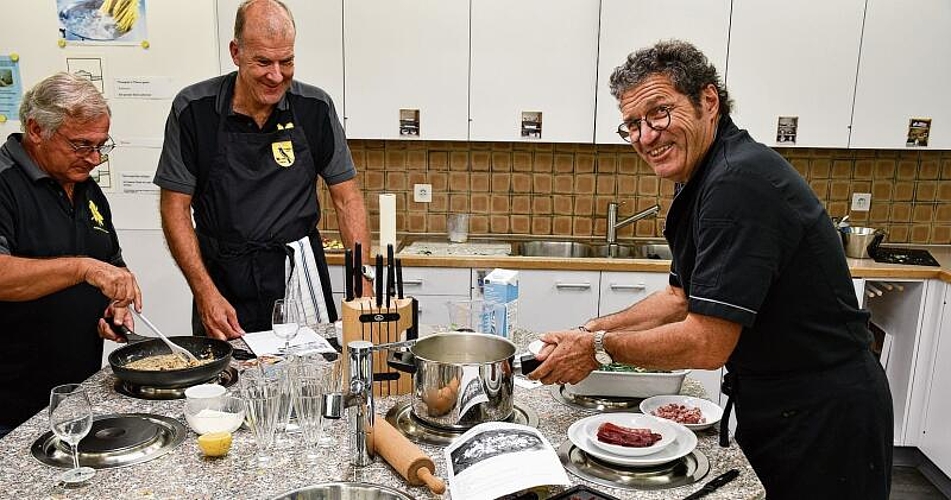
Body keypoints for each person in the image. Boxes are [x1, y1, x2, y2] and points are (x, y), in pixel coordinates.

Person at [528, 40, 893, 500]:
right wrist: (589, 329)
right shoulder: (706, 176)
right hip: (782, 402)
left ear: (708, 101)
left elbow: (708, 343)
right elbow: (679, 297)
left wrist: (597, 349)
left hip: (825, 415)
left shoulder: (739, 181)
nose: (645, 136)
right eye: (633, 125)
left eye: (659, 113)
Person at [154, 0, 370, 340]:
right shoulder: (194, 111)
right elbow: (175, 209)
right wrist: (204, 292)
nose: (276, 75)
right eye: (263, 62)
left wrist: (362, 284)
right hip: (223, 278)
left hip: (297, 273)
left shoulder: (315, 108)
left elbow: (347, 200)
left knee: (311, 379)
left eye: (287, 61)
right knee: (229, 382)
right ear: (236, 52)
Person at [0, 72, 142, 437]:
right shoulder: (4, 183)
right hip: (9, 401)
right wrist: (82, 269)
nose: (95, 158)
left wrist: (116, 303)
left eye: (102, 145)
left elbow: (109, 260)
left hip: (74, 394)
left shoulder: (87, 189)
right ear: (36, 130)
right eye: (82, 145)